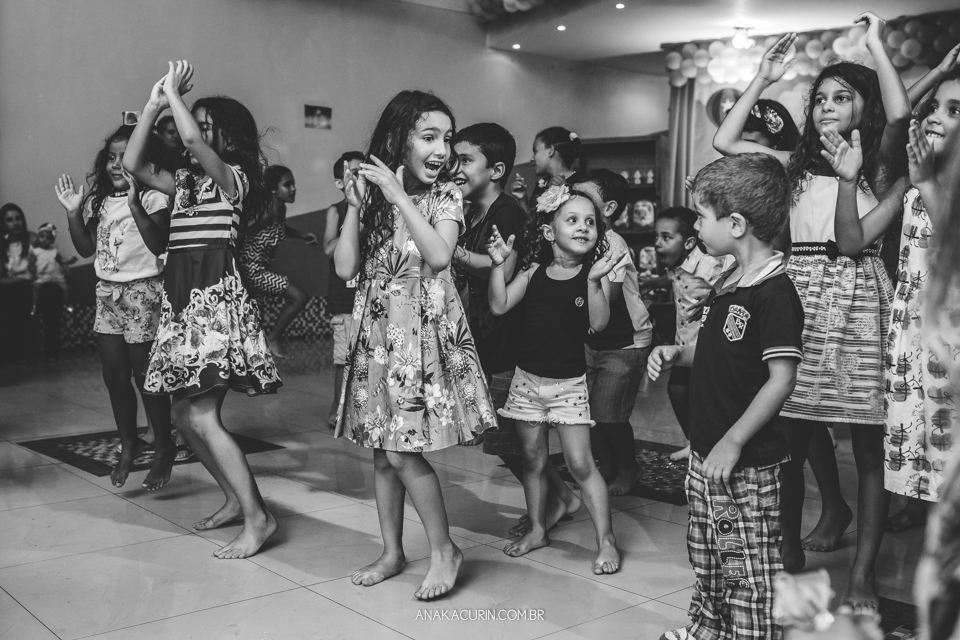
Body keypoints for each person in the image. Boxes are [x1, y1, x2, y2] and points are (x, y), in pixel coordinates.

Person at [712, 14, 910, 607]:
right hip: (798, 292)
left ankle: (861, 578)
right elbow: (725, 143)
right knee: (789, 437)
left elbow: (853, 240)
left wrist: (876, 45)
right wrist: (762, 78)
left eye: (841, 98)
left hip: (853, 299)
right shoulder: (791, 165)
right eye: (820, 98)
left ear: (861, 107)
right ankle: (786, 546)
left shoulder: (880, 164)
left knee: (866, 443)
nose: (826, 107)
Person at [333, 90, 496, 600]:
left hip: (418, 337)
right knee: (383, 454)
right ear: (398, 139)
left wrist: (400, 196)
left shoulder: (447, 195)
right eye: (430, 137)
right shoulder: (375, 199)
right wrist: (357, 208)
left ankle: (445, 549)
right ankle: (392, 551)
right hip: (377, 335)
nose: (443, 149)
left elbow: (440, 255)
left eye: (447, 138)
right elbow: (344, 268)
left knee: (404, 454)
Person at [124, 60, 282, 559]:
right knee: (183, 415)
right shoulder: (188, 183)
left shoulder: (234, 177)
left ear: (228, 135)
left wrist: (174, 94)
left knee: (202, 415)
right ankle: (237, 501)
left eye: (208, 122)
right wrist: (154, 104)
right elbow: (133, 165)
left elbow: (192, 143)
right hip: (184, 299)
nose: (197, 127)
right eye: (199, 120)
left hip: (214, 300)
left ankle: (260, 517)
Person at [649, 152, 803, 640]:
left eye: (701, 216)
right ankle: (706, 630)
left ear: (736, 223)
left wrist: (734, 441)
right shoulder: (730, 279)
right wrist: (679, 353)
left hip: (746, 461)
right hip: (706, 449)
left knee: (748, 571)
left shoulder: (774, 294)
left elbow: (780, 379)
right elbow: (721, 352)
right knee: (710, 554)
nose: (696, 226)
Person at [827, 57, 960, 534]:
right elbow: (850, 242)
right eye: (936, 107)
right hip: (914, 344)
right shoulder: (912, 187)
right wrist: (848, 181)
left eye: (954, 109)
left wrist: (929, 184)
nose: (935, 117)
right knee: (931, 473)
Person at [489, 183, 624, 574]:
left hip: (568, 386)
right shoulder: (532, 274)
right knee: (532, 458)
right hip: (527, 382)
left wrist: (596, 281)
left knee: (581, 463)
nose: (584, 227)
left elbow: (598, 323)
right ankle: (536, 529)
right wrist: (499, 265)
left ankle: (607, 540)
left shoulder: (592, 274)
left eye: (590, 222)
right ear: (549, 232)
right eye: (573, 220)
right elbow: (499, 305)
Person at [56, 124, 175, 490]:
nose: (115, 164)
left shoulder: (156, 198)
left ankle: (164, 446)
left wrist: (136, 203)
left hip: (142, 292)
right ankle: (129, 443)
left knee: (145, 377)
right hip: (107, 293)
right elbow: (86, 248)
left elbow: (157, 244)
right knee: (113, 375)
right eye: (110, 157)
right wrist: (74, 212)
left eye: (124, 157)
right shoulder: (101, 200)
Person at [573, 169, 655, 495]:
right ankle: (606, 466)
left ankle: (628, 466)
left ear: (607, 209)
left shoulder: (612, 242)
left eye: (584, 196)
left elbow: (609, 300)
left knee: (610, 414)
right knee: (588, 413)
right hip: (591, 338)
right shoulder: (577, 237)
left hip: (625, 341)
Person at [644, 207, 733, 462]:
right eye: (656, 237)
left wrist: (709, 305)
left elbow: (727, 289)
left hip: (703, 347)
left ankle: (712, 447)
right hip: (683, 345)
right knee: (678, 392)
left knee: (702, 398)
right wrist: (652, 283)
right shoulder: (677, 263)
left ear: (690, 241)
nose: (658, 244)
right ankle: (694, 444)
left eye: (666, 237)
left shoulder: (706, 265)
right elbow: (671, 278)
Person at [240, 164, 317, 358]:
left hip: (261, 269)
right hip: (252, 271)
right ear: (273, 188)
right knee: (299, 297)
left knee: (254, 321)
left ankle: (259, 353)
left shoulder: (279, 209)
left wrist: (301, 234)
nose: (293, 189)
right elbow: (242, 233)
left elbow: (279, 229)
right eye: (287, 185)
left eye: (294, 184)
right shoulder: (265, 211)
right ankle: (273, 338)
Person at [323, 151, 365, 427]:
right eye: (353, 172)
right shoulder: (336, 210)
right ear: (340, 182)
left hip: (371, 296)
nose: (360, 177)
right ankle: (337, 410)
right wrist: (354, 217)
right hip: (345, 299)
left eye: (364, 171)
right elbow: (328, 248)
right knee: (344, 359)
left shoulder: (380, 207)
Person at [31, 223, 76, 363]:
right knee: (36, 287)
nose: (45, 240)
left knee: (65, 287)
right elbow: (31, 264)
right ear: (38, 237)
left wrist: (68, 264)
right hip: (42, 279)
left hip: (55, 279)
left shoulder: (55, 252)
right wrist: (31, 272)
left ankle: (66, 304)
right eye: (42, 237)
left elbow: (62, 262)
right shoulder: (35, 251)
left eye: (48, 238)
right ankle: (34, 305)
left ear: (52, 240)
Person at [509, 126, 581, 209]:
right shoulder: (541, 186)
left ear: (551, 151)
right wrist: (522, 199)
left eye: (535, 151)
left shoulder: (580, 183)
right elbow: (531, 221)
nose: (532, 159)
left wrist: (564, 192)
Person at [0, 203, 36, 365]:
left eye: (18, 218)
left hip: (30, 287)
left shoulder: (33, 239)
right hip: (10, 287)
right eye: (10, 220)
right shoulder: (2, 246)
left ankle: (19, 352)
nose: (15, 223)